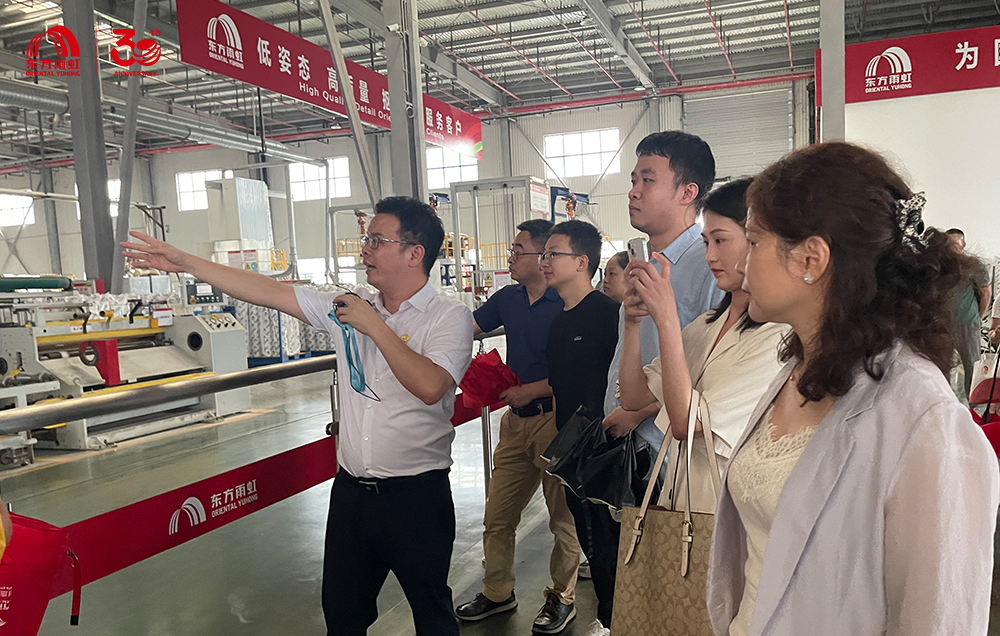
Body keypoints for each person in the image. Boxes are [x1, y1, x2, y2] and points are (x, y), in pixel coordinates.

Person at [122, 196, 474, 636]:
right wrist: (187, 262)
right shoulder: (350, 307)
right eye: (366, 239)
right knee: (343, 616)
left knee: (432, 613)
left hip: (417, 497)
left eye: (376, 240)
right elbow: (269, 291)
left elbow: (430, 386)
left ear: (414, 253)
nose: (364, 249)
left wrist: (375, 327)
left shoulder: (448, 317)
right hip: (352, 498)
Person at [706, 143, 999, 636]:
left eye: (753, 242)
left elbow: (939, 618)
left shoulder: (923, 420)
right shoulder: (798, 367)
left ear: (811, 258)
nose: (740, 265)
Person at [618, 178, 787, 514]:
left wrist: (667, 319)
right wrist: (632, 324)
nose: (710, 256)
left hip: (731, 510)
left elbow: (685, 423)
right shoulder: (706, 326)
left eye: (721, 240)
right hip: (684, 500)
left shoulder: (778, 338)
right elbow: (634, 398)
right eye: (706, 241)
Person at [455, 219, 581, 634]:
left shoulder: (567, 302)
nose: (510, 257)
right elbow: (465, 327)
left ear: (543, 256)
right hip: (515, 423)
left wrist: (532, 390)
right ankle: (497, 592)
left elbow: (581, 370)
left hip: (554, 420)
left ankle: (562, 597)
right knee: (498, 514)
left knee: (562, 519)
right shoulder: (508, 299)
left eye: (517, 250)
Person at [541, 220, 621, 636]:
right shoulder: (559, 322)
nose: (544, 261)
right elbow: (560, 388)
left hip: (606, 450)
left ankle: (612, 620)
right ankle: (609, 617)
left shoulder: (609, 315)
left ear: (581, 261)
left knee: (609, 543)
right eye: (544, 254)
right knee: (591, 541)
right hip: (572, 453)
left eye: (553, 254)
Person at [946, 228, 993, 397]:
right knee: (942, 364)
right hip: (944, 323)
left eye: (955, 243)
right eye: (948, 244)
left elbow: (986, 293)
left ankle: (973, 403)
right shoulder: (940, 266)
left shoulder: (974, 265)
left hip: (968, 322)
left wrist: (978, 317)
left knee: (972, 365)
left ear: (963, 244)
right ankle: (946, 401)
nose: (951, 247)